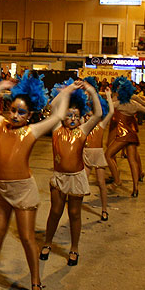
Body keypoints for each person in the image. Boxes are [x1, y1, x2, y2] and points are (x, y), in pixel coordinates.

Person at [0, 72, 77, 290]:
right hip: (0, 188)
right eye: (12, 109)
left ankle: (35, 281)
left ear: (29, 115)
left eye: (21, 112)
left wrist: (66, 94)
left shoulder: (32, 131)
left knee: (27, 238)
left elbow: (59, 115)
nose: (15, 115)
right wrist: (0, 86)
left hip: (23, 191)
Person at [39, 79, 102, 268]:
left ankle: (74, 248)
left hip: (76, 177)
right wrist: (68, 90)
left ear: (81, 116)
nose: (72, 119)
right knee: (55, 211)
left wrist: (91, 90)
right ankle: (47, 242)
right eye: (68, 115)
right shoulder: (57, 129)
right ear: (62, 117)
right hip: (59, 177)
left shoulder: (83, 130)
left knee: (75, 213)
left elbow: (98, 113)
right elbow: (53, 106)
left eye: (76, 115)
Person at [106, 76, 145, 197]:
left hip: (122, 132)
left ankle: (117, 179)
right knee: (132, 160)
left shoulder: (117, 103)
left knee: (108, 154)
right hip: (131, 133)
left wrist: (106, 96)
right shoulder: (134, 104)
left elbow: (108, 107)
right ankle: (135, 188)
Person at [82, 77, 114, 221]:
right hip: (86, 154)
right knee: (83, 182)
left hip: (98, 155)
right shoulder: (83, 123)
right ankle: (76, 206)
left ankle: (104, 209)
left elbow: (111, 112)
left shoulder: (101, 124)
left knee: (101, 184)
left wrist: (108, 96)